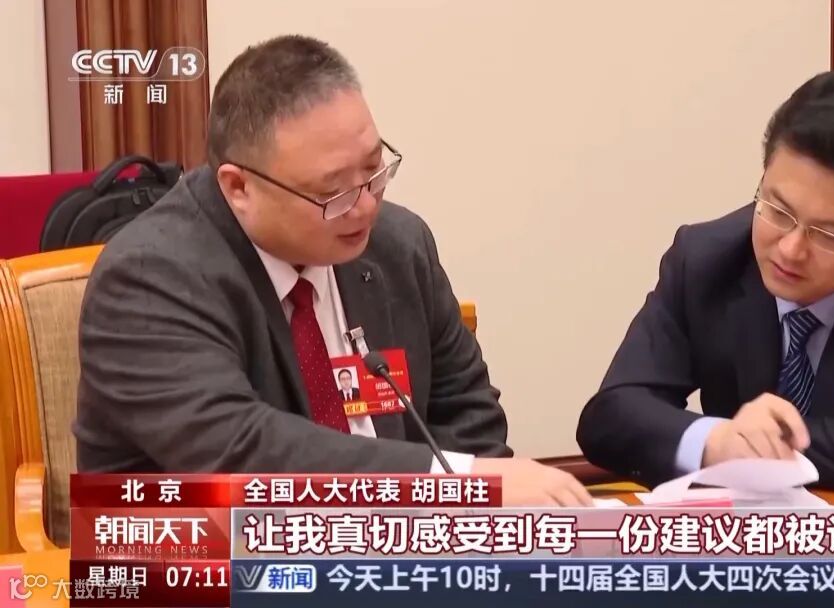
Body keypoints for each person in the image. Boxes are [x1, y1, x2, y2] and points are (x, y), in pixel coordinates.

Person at [76, 35, 592, 508]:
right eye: (332, 192)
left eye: (374, 169)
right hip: (207, 557)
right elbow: (238, 450)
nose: (365, 206)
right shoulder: (149, 277)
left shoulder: (398, 245)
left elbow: (467, 416)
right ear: (239, 187)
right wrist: (458, 482)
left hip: (396, 553)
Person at [577, 70, 834, 496]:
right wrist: (716, 439)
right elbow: (610, 416)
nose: (790, 249)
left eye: (829, 235)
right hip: (749, 528)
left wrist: (758, 444)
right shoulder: (705, 259)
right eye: (778, 210)